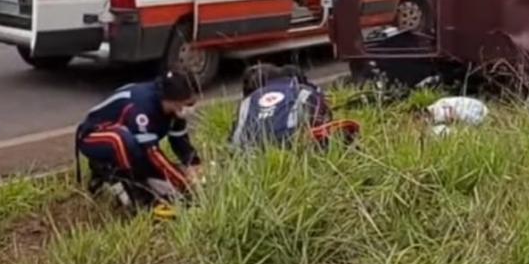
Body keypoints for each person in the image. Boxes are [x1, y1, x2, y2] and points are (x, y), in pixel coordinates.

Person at [76, 71, 201, 208]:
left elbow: (180, 141)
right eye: (189, 103)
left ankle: (136, 181)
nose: (191, 108)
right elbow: (151, 153)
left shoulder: (174, 111)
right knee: (123, 141)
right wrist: (183, 182)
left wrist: (193, 164)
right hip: (93, 136)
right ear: (175, 100)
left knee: (147, 162)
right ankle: (124, 182)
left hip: (131, 141)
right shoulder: (143, 106)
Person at [230, 63, 358, 151]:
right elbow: (325, 115)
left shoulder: (247, 102)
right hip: (293, 143)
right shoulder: (303, 91)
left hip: (246, 149)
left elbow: (234, 134)